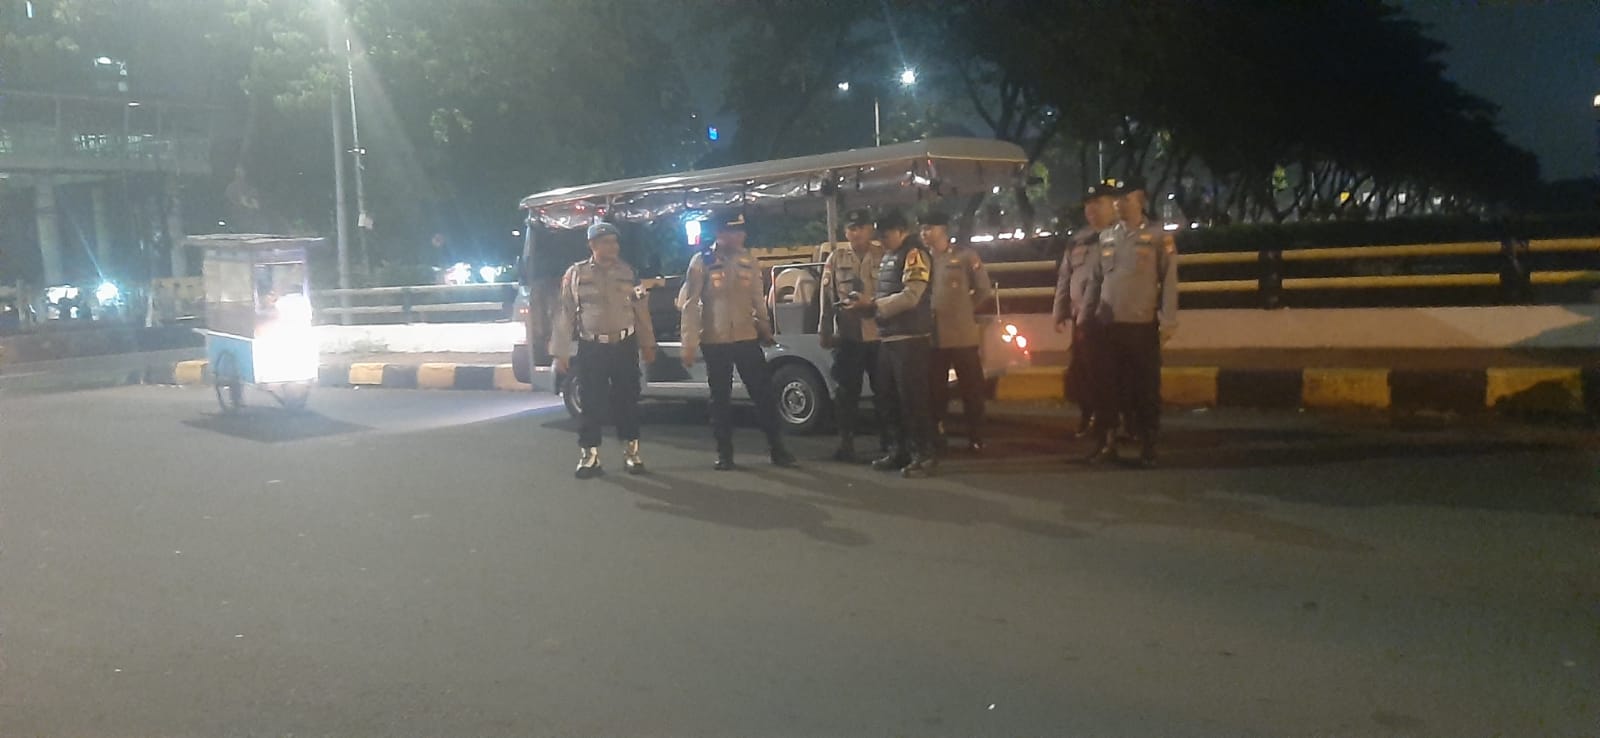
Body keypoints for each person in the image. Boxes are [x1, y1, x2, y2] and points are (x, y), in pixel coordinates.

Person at [680, 210, 799, 471]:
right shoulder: (702, 261)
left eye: (741, 232)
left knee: (763, 393)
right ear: (720, 233)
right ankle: (724, 453)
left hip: (746, 336)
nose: (740, 236)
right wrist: (689, 343)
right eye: (734, 231)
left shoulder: (749, 261)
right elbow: (690, 304)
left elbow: (758, 297)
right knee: (720, 398)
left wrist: (765, 327)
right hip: (715, 338)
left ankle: (777, 448)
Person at [1081, 177, 1179, 468]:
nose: (1119, 205)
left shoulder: (1158, 237)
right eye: (1116, 200)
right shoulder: (1107, 237)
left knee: (1145, 388)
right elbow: (1095, 281)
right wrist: (1086, 318)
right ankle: (1107, 442)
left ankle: (1149, 444)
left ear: (1141, 200)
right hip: (1107, 326)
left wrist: (1168, 320)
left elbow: (1169, 281)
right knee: (1106, 388)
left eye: (1125, 199)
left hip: (1141, 324)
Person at [550, 222, 659, 479]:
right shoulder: (575, 274)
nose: (613, 247)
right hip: (592, 347)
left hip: (624, 345)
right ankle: (589, 456)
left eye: (615, 242)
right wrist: (560, 352)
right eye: (606, 242)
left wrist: (648, 344)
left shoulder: (629, 272)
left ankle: (632, 453)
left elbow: (641, 311)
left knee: (628, 400)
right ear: (592, 245)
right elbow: (565, 313)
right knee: (590, 402)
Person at [844, 210, 936, 477]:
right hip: (889, 337)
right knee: (888, 398)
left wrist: (873, 305)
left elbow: (911, 296)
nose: (881, 241)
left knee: (913, 401)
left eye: (885, 235)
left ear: (901, 231)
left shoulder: (914, 255)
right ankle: (899, 450)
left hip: (910, 338)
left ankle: (924, 454)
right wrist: (864, 307)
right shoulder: (890, 255)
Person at [818, 208, 887, 462]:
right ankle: (846, 443)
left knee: (885, 391)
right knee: (846, 393)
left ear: (871, 230)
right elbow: (826, 297)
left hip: (879, 333)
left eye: (861, 228)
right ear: (846, 232)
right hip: (848, 335)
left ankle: (889, 441)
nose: (856, 233)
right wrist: (824, 329)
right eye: (852, 229)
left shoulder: (884, 255)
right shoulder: (836, 258)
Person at [923, 209, 993, 453]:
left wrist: (964, 309)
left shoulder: (964, 256)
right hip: (933, 336)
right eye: (922, 229)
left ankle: (976, 436)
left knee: (971, 389)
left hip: (962, 335)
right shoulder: (921, 259)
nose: (924, 233)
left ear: (943, 230)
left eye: (929, 228)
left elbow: (983, 289)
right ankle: (937, 434)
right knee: (935, 391)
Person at [1054, 182, 1120, 440]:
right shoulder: (1078, 240)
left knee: (1114, 373)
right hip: (1082, 317)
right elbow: (1065, 277)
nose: (1091, 209)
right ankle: (1088, 415)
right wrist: (1059, 311)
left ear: (1114, 205)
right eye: (1088, 205)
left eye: (1098, 203)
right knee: (1083, 372)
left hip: (1113, 317)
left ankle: (1119, 422)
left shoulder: (1124, 237)